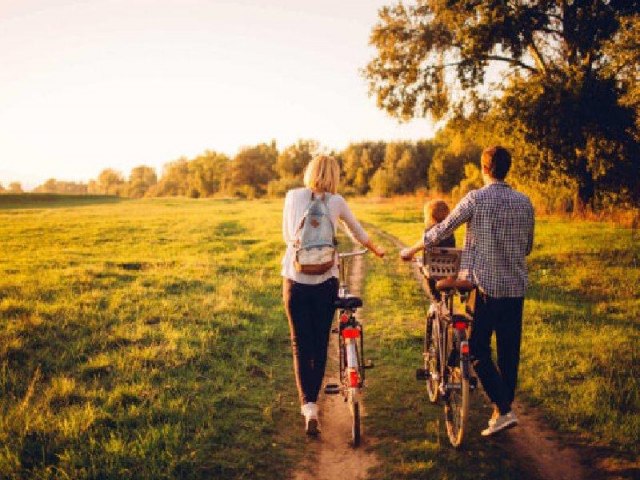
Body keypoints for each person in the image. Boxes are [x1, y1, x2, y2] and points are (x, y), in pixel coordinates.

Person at [401, 146, 534, 436]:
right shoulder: (525, 202)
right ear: (507, 169)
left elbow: (441, 229)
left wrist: (412, 249)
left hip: (486, 288)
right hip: (516, 288)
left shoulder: (476, 198)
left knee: (477, 349)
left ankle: (504, 407)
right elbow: (527, 247)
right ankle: (502, 410)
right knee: (509, 353)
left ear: (484, 169)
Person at [281, 155, 385, 435]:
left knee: (300, 346)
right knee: (319, 343)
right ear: (334, 176)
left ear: (309, 171)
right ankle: (315, 401)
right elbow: (358, 233)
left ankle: (310, 408)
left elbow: (287, 236)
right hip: (325, 280)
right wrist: (377, 250)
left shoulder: (292, 196)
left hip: (296, 279)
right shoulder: (336, 202)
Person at [401, 199, 455, 306]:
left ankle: (436, 300)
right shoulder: (450, 233)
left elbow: (426, 251)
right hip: (449, 270)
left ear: (430, 217)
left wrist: (415, 257)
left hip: (433, 270)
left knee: (427, 273)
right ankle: (445, 301)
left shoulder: (429, 232)